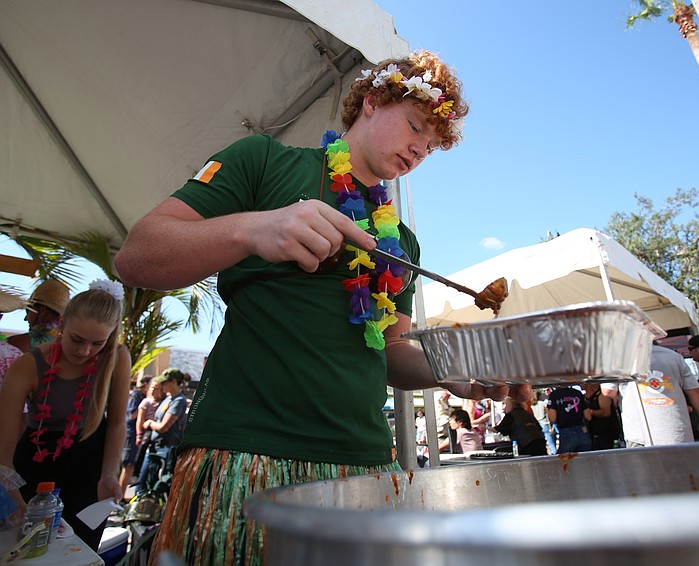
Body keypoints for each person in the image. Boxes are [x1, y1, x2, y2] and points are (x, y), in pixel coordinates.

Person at [113, 50, 531, 564]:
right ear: (372, 103)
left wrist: (457, 369)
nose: (421, 149)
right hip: (244, 455)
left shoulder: (401, 241)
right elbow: (136, 257)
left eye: (433, 144)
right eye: (416, 125)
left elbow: (391, 352)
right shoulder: (264, 161)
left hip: (365, 467)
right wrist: (255, 228)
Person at [0, 279, 131, 551]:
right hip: (34, 463)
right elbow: (5, 446)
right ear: (62, 325)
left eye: (97, 343)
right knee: (25, 548)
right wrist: (11, 493)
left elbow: (118, 423)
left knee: (78, 550)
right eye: (77, 339)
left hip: (89, 468)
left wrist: (109, 474)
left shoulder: (117, 358)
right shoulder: (28, 364)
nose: (84, 351)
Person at [602, 344, 699, 447]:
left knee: (646, 469)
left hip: (641, 435)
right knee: (682, 468)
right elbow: (695, 392)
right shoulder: (674, 357)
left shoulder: (618, 360)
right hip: (678, 432)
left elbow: (608, 392)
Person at [136, 368, 188, 494]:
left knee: (157, 487)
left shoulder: (179, 401)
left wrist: (149, 423)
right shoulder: (167, 399)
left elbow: (163, 427)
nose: (161, 386)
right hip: (154, 448)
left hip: (165, 450)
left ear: (174, 382)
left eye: (164, 383)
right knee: (142, 484)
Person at [7, 279, 70, 354]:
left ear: (43, 311)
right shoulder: (72, 350)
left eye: (28, 310)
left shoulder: (13, 345)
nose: (25, 318)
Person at [119, 376, 150, 499]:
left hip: (134, 435)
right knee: (128, 466)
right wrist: (143, 407)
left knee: (130, 467)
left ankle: (121, 496)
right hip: (130, 434)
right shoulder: (136, 396)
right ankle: (119, 497)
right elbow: (131, 415)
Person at [547, 385, 592, 453]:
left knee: (563, 461)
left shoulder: (554, 395)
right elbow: (588, 416)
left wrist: (547, 410)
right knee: (584, 460)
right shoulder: (577, 393)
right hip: (582, 431)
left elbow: (553, 418)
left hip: (566, 432)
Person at [583, 383, 621, 450]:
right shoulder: (583, 397)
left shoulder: (602, 395)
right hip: (592, 433)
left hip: (605, 433)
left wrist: (591, 412)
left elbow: (606, 413)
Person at [530, 390, 556, 454]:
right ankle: (555, 452)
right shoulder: (542, 403)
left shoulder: (531, 406)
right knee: (551, 441)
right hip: (544, 422)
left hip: (536, 424)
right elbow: (548, 412)